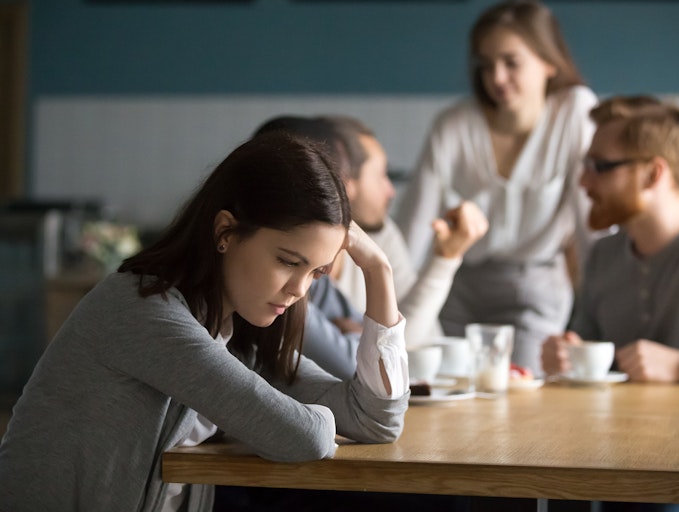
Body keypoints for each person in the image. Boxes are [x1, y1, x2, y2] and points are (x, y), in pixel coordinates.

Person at [0, 131, 409, 512]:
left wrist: (378, 271)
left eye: (317, 272)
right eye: (287, 262)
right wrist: (283, 417)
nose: (299, 290)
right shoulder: (144, 312)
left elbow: (375, 420)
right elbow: (306, 435)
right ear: (225, 232)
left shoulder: (238, 331)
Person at [541, 95, 679, 511]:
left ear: (653, 174)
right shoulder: (605, 254)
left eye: (600, 166)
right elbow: (590, 346)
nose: (583, 183)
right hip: (616, 466)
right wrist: (566, 355)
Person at [395, 0, 598, 376]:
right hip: (459, 289)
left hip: (534, 290)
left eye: (511, 62)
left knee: (520, 395)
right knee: (447, 390)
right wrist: (383, 314)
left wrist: (595, 323)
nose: (497, 78)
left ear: (549, 62)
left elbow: (591, 233)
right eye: (486, 65)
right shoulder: (453, 125)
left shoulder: (575, 112)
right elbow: (409, 234)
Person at [254, 115, 488, 379]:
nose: (391, 191)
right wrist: (366, 338)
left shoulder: (379, 235)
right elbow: (375, 365)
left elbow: (409, 347)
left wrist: (364, 337)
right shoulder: (287, 283)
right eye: (380, 175)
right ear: (342, 183)